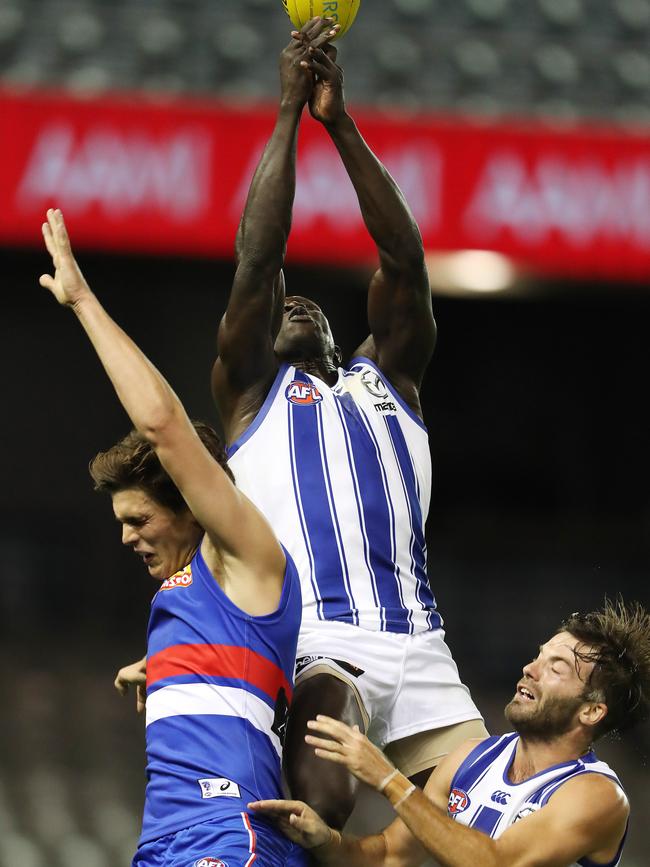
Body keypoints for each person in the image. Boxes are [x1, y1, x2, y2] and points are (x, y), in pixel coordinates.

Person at [118, 17, 486, 830]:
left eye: (309, 305)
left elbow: (406, 262)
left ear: (337, 331)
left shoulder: (390, 378)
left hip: (424, 645)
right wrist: (286, 112)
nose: (294, 303)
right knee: (320, 801)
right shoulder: (251, 393)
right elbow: (258, 258)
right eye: (284, 303)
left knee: (497, 824)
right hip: (326, 643)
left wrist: (339, 123)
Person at [40, 208, 307, 867]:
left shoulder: (246, 554)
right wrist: (165, 665)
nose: (129, 538)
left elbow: (162, 425)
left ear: (190, 506)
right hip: (163, 844)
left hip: (229, 835)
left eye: (138, 519)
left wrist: (82, 301)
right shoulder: (189, 595)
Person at [251, 598, 650, 867]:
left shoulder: (597, 795)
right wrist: (325, 840)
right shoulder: (470, 758)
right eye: (538, 656)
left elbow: (496, 863)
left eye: (556, 668)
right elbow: (390, 855)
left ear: (593, 711)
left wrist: (388, 779)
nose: (531, 669)